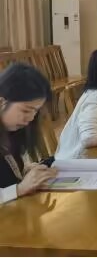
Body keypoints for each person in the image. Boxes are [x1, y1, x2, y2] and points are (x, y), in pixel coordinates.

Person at [1, 63, 58, 204]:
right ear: (1, 102)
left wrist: (25, 171)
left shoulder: (12, 131)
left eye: (35, 111)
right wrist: (19, 189)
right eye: (26, 110)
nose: (31, 118)